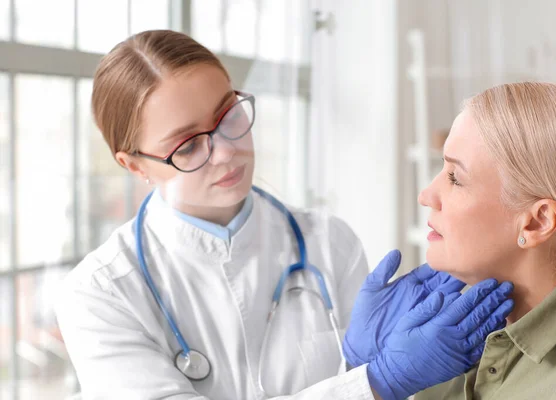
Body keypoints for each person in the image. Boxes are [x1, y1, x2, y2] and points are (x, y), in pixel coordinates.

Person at [54, 29, 514, 400]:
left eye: (228, 116)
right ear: (134, 165)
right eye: (189, 145)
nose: (226, 152)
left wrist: (360, 364)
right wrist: (374, 381)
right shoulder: (99, 294)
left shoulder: (328, 242)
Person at [412, 82, 556, 399]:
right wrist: (366, 374)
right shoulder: (442, 338)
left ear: (537, 222)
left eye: (455, 178)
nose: (426, 196)